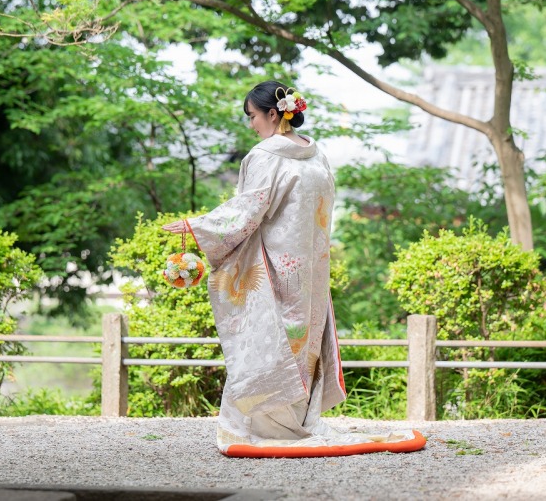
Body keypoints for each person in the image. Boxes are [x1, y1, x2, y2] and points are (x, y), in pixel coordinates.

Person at [162, 81, 420, 457]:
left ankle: (262, 425)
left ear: (271, 113)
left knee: (266, 341)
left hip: (274, 268)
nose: (251, 125)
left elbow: (248, 209)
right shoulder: (316, 155)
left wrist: (196, 226)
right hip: (311, 270)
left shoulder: (266, 156)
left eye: (252, 116)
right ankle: (298, 422)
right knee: (303, 342)